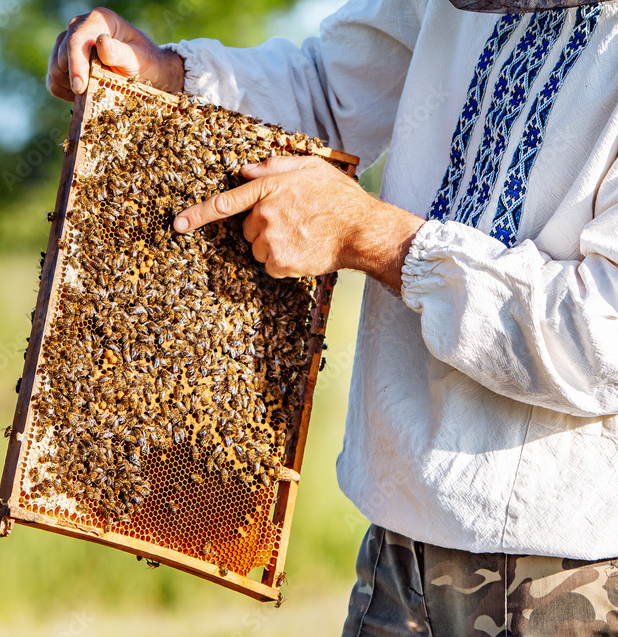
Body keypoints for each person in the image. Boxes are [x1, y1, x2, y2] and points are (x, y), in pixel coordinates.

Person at [47, 2, 618, 634]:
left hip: (569, 577)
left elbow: (601, 331)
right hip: (398, 545)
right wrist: (168, 74)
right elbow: (333, 89)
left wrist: (375, 237)